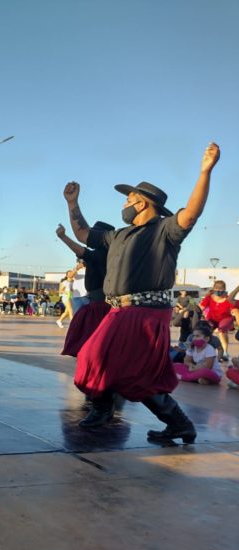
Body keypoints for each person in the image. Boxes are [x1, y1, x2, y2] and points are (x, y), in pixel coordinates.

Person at [63, 141, 220, 444]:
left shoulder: (165, 230)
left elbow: (191, 214)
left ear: (143, 203)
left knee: (113, 363)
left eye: (129, 199)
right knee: (107, 362)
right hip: (119, 310)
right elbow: (83, 233)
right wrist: (72, 204)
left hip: (146, 312)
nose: (123, 205)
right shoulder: (118, 234)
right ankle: (176, 424)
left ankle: (105, 407)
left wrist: (205, 172)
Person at [56, 222, 114, 357]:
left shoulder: (102, 254)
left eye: (93, 234)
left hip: (100, 307)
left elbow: (81, 251)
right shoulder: (108, 254)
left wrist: (63, 237)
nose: (89, 237)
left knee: (92, 347)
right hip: (97, 303)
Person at [200, 280, 239, 361]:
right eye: (216, 288)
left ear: (224, 289)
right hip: (212, 319)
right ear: (213, 288)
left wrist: (235, 313)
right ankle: (208, 352)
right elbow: (201, 307)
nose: (218, 290)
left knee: (222, 329)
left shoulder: (228, 299)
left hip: (226, 319)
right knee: (206, 331)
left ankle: (225, 352)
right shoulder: (209, 297)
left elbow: (235, 310)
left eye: (221, 289)